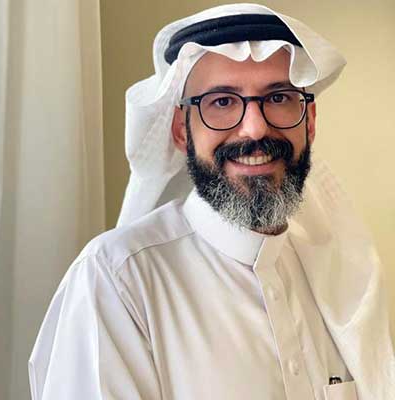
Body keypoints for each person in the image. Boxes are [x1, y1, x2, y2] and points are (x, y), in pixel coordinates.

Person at [29, 4, 394, 400]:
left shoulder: (337, 279)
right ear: (181, 131)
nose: (255, 128)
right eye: (222, 102)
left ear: (309, 122)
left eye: (278, 97)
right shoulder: (116, 282)